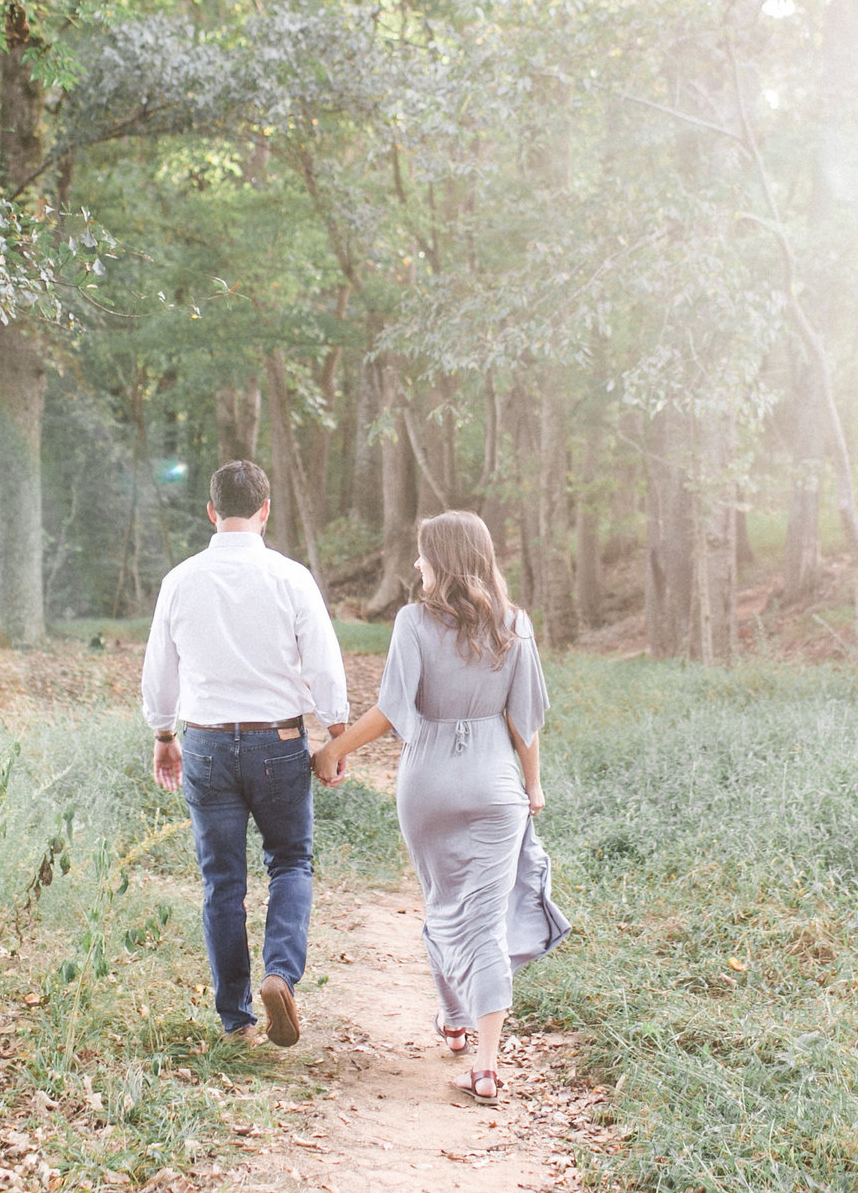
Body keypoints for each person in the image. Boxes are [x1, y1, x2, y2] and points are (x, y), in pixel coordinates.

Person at [313, 510, 568, 1103]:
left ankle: (454, 1019)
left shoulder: (412, 622)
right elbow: (524, 720)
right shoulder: (515, 624)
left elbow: (391, 712)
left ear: (443, 560)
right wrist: (533, 786)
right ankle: (485, 1062)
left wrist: (332, 750)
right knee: (485, 919)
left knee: (442, 903)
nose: (417, 565)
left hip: (428, 782)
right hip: (495, 783)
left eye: (423, 555)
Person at [141, 459, 349, 1047]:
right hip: (278, 741)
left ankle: (236, 1019)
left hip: (204, 741)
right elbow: (324, 665)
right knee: (290, 862)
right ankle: (280, 973)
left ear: (211, 512)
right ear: (265, 511)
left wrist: (163, 735)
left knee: (221, 882)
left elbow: (160, 669)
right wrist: (335, 732)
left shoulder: (181, 579)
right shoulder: (290, 577)